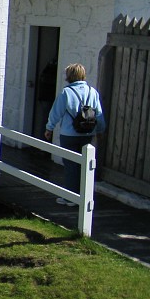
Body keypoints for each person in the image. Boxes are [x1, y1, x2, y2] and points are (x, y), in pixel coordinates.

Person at [43, 63, 106, 204]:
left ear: (69, 76)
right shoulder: (92, 92)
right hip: (87, 133)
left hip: (69, 134)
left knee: (71, 166)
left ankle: (71, 197)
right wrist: (100, 130)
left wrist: (49, 128)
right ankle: (82, 196)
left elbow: (56, 113)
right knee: (84, 166)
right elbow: (99, 114)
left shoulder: (66, 93)